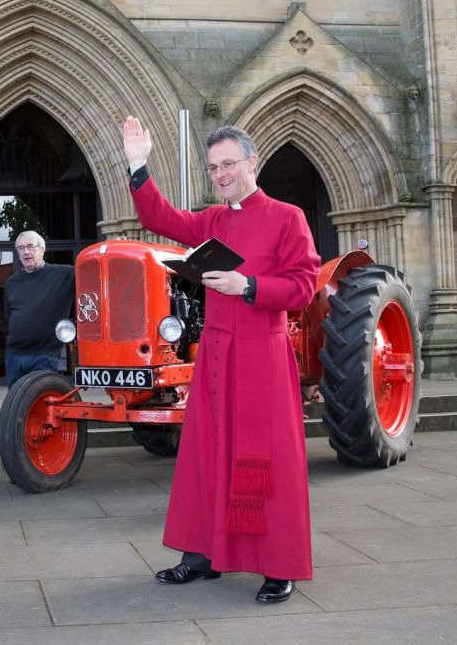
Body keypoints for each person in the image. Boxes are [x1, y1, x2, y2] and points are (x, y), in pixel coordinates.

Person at [122, 115, 320, 603]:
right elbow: (161, 219)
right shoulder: (212, 220)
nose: (221, 174)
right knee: (206, 453)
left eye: (228, 163)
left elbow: (304, 285)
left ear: (252, 162)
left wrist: (247, 286)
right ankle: (201, 556)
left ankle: (279, 566)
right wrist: (137, 163)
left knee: (267, 459)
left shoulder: (287, 216)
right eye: (213, 168)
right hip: (214, 355)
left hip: (262, 357)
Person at [3, 230, 75, 388]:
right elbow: (9, 315)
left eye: (30, 246)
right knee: (16, 406)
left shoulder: (64, 274)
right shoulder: (12, 282)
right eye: (21, 248)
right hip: (14, 356)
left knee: (42, 402)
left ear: (42, 249)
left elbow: (91, 278)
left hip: (45, 355)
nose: (26, 252)